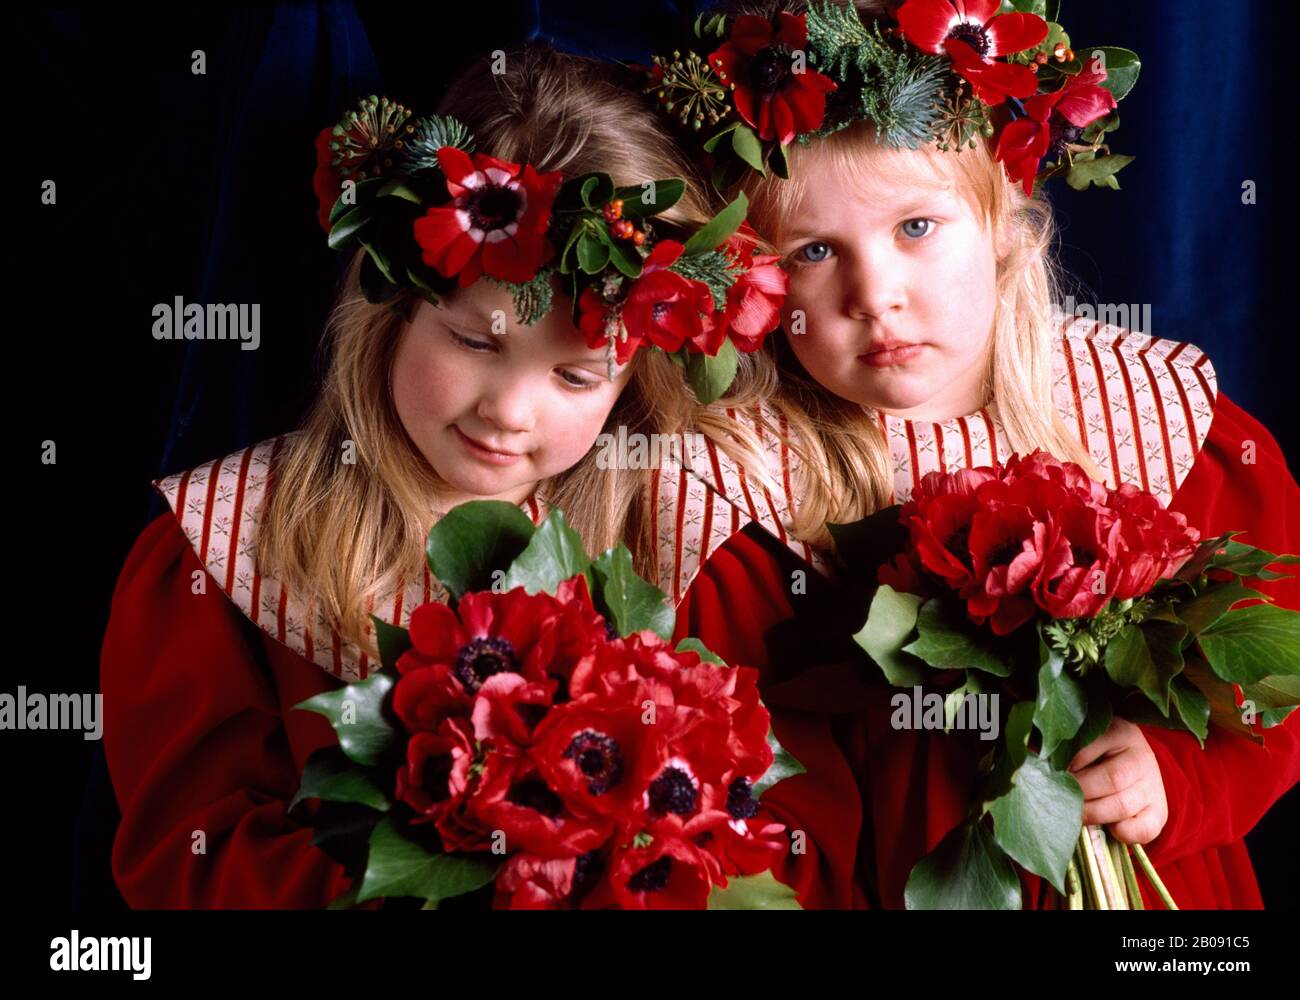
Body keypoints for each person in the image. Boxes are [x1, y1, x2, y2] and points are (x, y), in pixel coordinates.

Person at [99, 44, 783, 908]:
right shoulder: (227, 547)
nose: (509, 410)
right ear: (391, 308)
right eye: (474, 342)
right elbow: (194, 860)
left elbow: (782, 833)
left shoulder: (687, 536)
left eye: (575, 377)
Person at [654, 0, 1300, 907]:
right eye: (813, 250)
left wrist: (1178, 774)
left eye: (916, 228)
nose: (875, 295)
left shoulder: (1150, 418)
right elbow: (755, 786)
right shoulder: (746, 492)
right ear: (759, 273)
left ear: (1001, 219)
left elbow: (1270, 683)